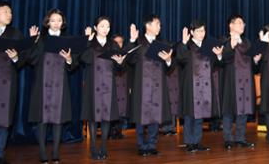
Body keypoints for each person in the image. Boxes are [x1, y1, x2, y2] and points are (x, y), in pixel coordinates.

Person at [27, 9, 80, 163]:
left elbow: (73, 64)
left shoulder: (67, 40)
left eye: (59, 20)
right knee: (42, 121)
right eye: (53, 20)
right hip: (42, 85)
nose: (56, 23)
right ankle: (43, 154)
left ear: (62, 23)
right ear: (47, 22)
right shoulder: (40, 39)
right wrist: (32, 42)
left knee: (58, 120)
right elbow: (31, 60)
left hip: (60, 86)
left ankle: (56, 153)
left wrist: (69, 59)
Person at [0, 1, 38, 164]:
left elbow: (24, 58)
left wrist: (16, 58)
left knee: (3, 120)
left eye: (10, 12)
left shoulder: (15, 33)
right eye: (5, 12)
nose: (9, 15)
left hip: (7, 83)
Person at [124, 14, 174, 156]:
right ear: (148, 25)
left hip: (157, 87)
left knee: (155, 115)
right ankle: (141, 145)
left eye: (159, 24)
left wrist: (169, 60)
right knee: (141, 117)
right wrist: (132, 40)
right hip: (141, 86)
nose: (160, 27)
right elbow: (128, 59)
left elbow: (169, 68)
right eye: (157, 24)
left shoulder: (162, 44)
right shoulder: (138, 43)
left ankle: (152, 144)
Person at [79, 17, 126, 160]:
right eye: (102, 26)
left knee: (106, 117)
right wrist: (86, 41)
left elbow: (120, 67)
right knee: (93, 118)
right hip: (93, 84)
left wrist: (119, 62)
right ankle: (93, 148)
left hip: (108, 85)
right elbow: (83, 59)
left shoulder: (113, 45)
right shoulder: (90, 42)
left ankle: (104, 147)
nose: (105, 29)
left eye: (107, 26)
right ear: (95, 27)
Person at [175, 20, 220, 152]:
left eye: (203, 31)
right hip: (191, 86)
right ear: (192, 32)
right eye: (199, 31)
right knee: (190, 116)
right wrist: (183, 43)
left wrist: (218, 56)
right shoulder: (187, 46)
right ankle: (189, 142)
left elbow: (215, 65)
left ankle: (198, 141)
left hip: (205, 86)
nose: (202, 33)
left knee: (201, 115)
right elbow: (180, 59)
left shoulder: (208, 47)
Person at [217, 15, 260, 150]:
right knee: (228, 111)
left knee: (244, 110)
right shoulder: (224, 40)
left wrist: (256, 61)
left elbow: (254, 68)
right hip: (230, 81)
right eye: (240, 23)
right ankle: (228, 139)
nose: (243, 25)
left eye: (243, 23)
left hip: (246, 82)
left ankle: (240, 138)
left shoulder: (247, 42)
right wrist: (231, 45)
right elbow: (222, 59)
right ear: (231, 25)